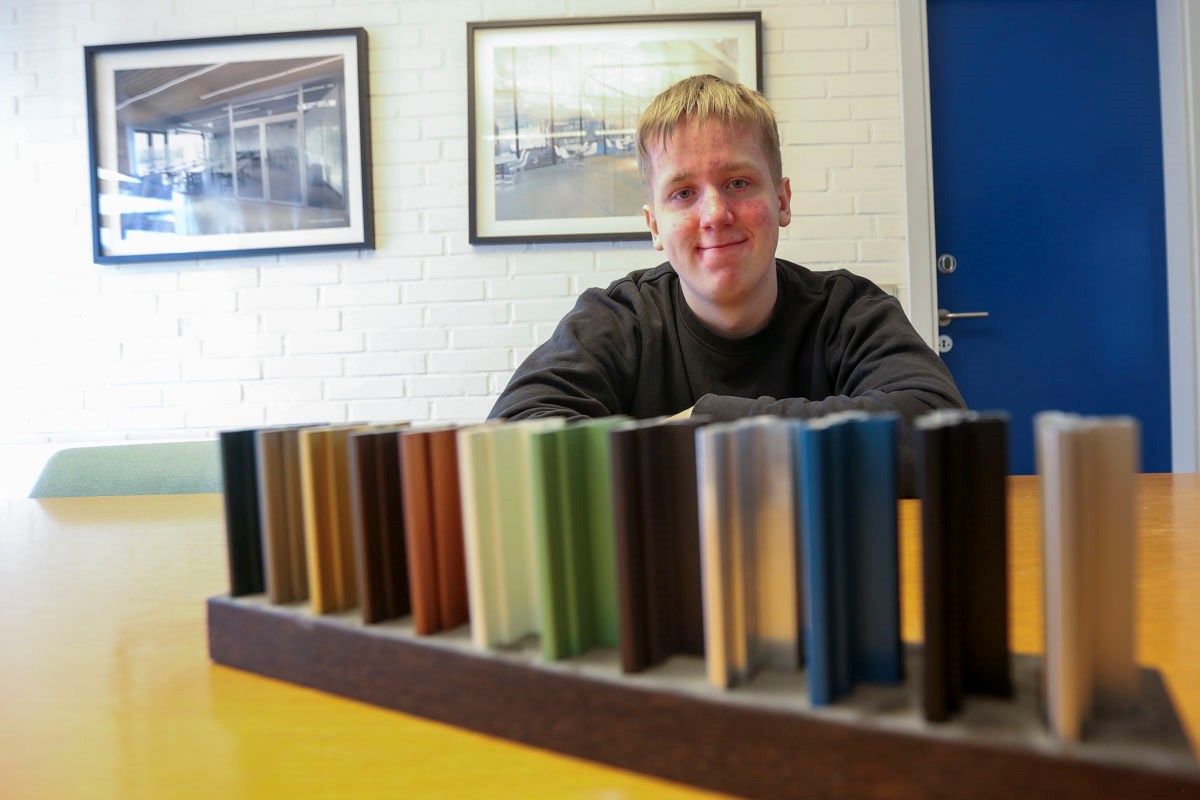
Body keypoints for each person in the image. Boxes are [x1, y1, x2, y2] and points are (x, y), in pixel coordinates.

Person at [488, 74, 965, 492]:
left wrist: (700, 427)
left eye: (738, 182)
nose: (715, 214)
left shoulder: (850, 310)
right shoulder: (616, 320)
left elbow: (942, 437)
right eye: (683, 193)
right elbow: (510, 445)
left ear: (782, 200)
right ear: (655, 226)